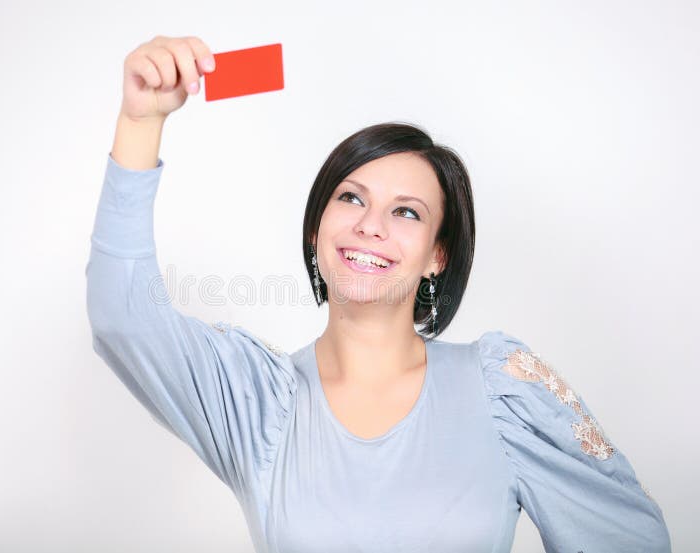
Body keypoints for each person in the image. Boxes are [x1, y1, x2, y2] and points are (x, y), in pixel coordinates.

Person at [85, 35, 672, 553]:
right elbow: (122, 317)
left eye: (407, 212)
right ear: (317, 228)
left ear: (437, 255)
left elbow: (630, 539)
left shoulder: (502, 393)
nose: (371, 225)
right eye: (350, 198)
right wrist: (141, 123)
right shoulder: (258, 401)